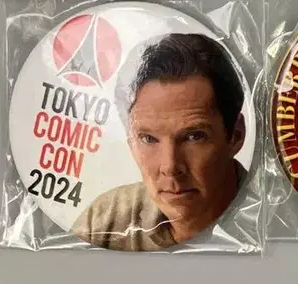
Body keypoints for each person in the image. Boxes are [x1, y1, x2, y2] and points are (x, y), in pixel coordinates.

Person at [72, 33, 247, 251]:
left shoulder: (270, 219)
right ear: (130, 141)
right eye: (149, 139)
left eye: (194, 137)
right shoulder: (104, 220)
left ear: (236, 135)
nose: (170, 167)